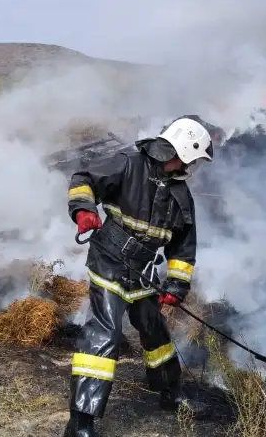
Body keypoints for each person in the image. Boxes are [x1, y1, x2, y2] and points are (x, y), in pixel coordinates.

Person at [63, 117, 213, 437]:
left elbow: (184, 249)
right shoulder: (129, 165)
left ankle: (170, 392)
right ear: (183, 150)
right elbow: (83, 178)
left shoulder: (181, 196)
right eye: (195, 158)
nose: (194, 165)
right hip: (108, 265)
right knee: (105, 335)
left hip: (143, 275)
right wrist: (84, 210)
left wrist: (176, 284)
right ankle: (81, 422)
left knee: (155, 332)